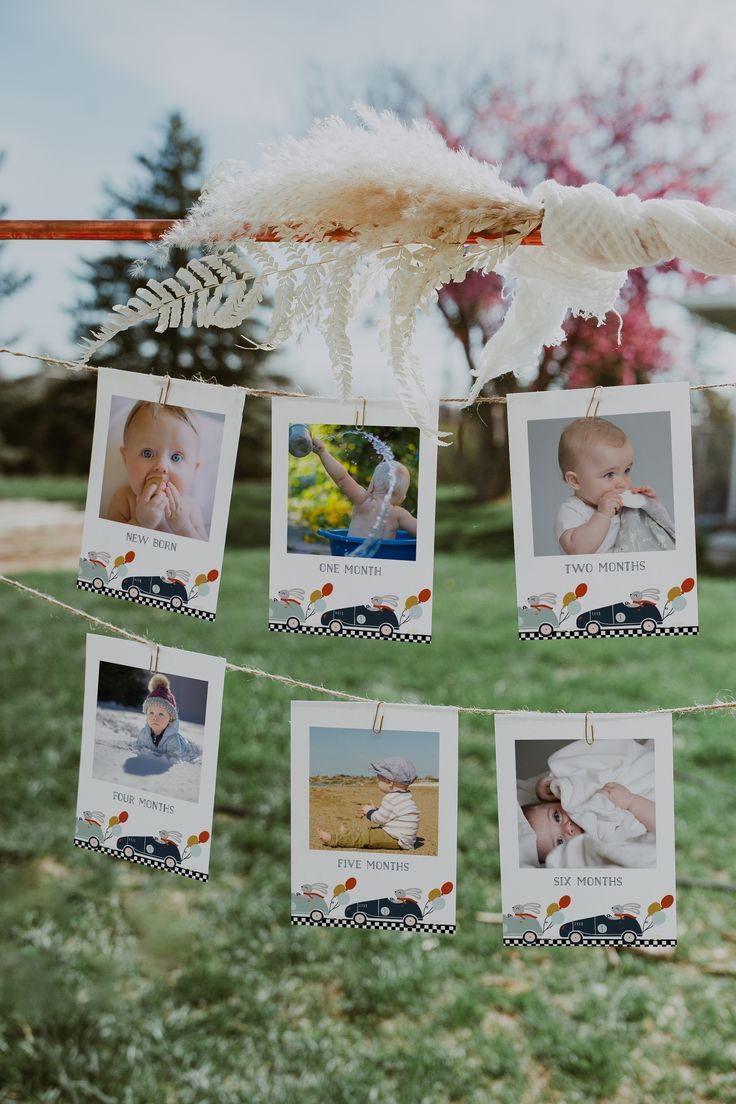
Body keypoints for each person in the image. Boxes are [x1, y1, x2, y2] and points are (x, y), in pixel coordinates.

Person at [555, 417, 674, 555]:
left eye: (626, 471)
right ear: (575, 481)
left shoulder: (624, 506)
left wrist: (649, 504)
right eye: (609, 474)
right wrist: (602, 514)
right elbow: (576, 550)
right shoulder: (572, 510)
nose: (622, 483)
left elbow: (651, 530)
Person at [107, 401, 208, 540]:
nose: (161, 466)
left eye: (176, 457)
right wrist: (140, 523)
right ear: (126, 459)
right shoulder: (124, 500)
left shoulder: (190, 509)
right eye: (147, 453)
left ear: (193, 471)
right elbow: (108, 545)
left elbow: (203, 557)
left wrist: (183, 527)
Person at [522, 773, 656, 864]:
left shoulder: (584, 797)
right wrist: (630, 802)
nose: (567, 828)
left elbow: (578, 778)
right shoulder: (597, 848)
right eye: (560, 841)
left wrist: (548, 786)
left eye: (556, 817)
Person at [311, 437, 417, 540]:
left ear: (372, 485)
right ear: (403, 497)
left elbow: (342, 478)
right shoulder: (400, 514)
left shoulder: (363, 501)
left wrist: (323, 452)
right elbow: (424, 532)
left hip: (352, 552)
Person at [317, 756, 420, 851]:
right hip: (404, 838)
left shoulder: (390, 798)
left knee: (366, 836)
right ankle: (347, 834)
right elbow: (390, 816)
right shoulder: (406, 796)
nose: (377, 780)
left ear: (390, 782)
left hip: (396, 838)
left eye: (379, 778)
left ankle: (333, 839)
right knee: (369, 831)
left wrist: (369, 812)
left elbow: (379, 819)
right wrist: (376, 810)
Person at [132, 673, 202, 762]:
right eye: (151, 713)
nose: (155, 717)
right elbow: (138, 745)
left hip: (186, 749)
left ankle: (196, 748)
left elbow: (174, 757)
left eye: (161, 714)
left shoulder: (173, 740)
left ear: (170, 719)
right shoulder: (143, 733)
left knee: (192, 749)